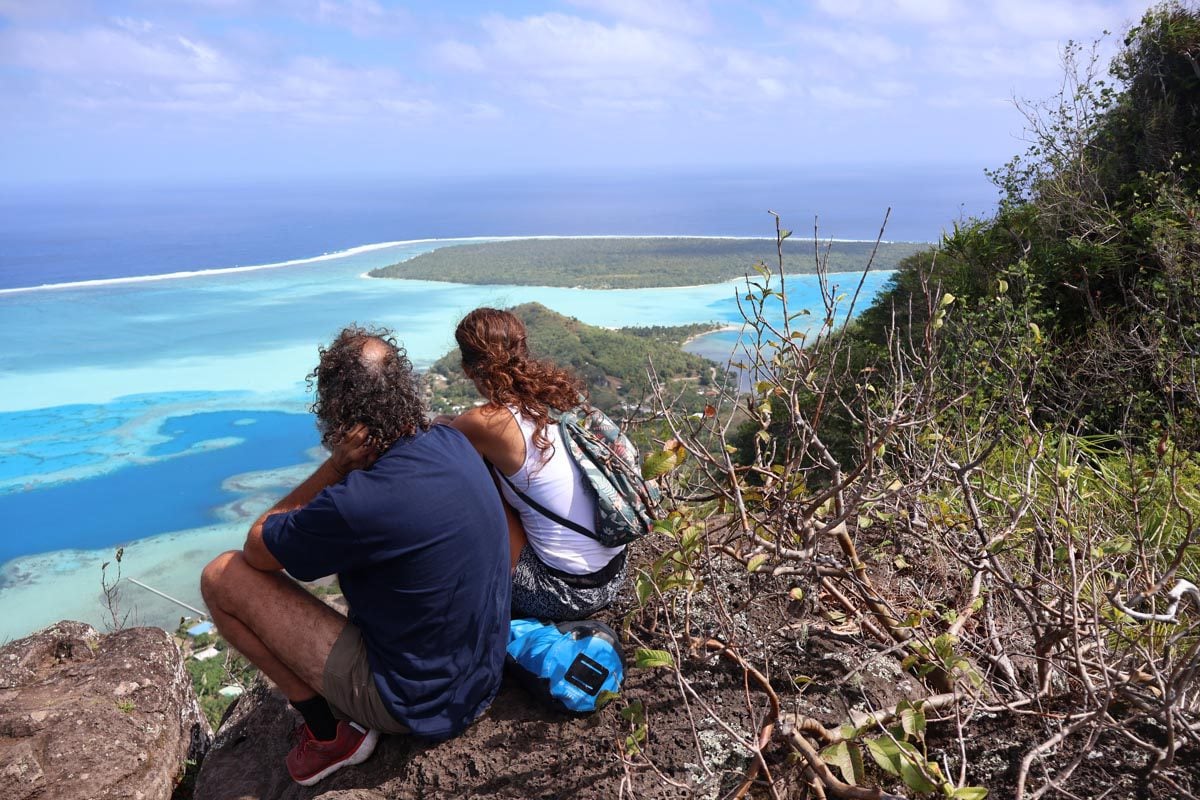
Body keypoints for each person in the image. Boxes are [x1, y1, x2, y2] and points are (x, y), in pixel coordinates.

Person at [200, 325, 510, 786]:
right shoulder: (451, 442)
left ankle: (330, 734)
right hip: (482, 674)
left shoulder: (360, 500)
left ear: (341, 413)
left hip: (414, 702)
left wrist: (336, 466)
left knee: (221, 576)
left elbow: (257, 548)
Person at [445, 307, 627, 622]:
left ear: (466, 368)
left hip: (566, 595)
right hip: (617, 571)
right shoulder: (560, 397)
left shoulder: (480, 423)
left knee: (477, 478)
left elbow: (436, 452)